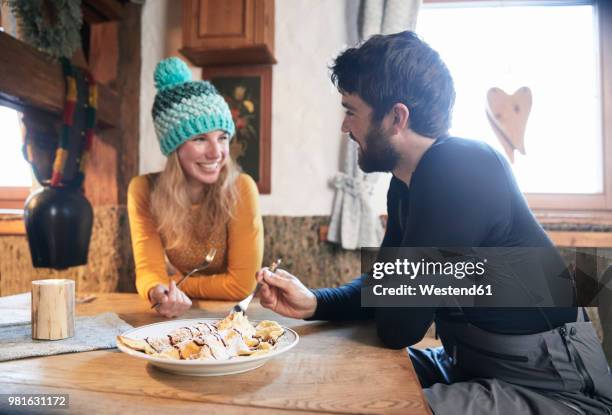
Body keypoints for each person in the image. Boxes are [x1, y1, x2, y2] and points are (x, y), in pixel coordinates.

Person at [255, 31, 612, 414]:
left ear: (397, 117)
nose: (345, 127)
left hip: (554, 387)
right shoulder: (405, 183)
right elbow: (387, 286)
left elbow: (398, 328)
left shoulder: (458, 168)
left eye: (351, 110)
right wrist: (315, 302)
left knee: (367, 405)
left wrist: (389, 286)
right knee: (325, 376)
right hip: (470, 364)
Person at [128, 57, 263, 318]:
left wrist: (176, 283)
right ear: (174, 146)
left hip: (238, 316)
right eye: (200, 139)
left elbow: (241, 285)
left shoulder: (242, 188)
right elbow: (148, 270)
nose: (216, 153)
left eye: (222, 137)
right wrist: (158, 292)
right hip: (181, 316)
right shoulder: (143, 190)